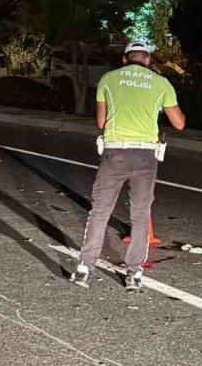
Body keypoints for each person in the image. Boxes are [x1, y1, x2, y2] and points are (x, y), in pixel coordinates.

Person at [71, 41, 186, 292]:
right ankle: (134, 273)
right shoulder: (160, 83)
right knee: (140, 215)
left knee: (100, 211)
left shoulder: (108, 79)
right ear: (147, 60)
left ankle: (85, 268)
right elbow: (179, 123)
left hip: (115, 153)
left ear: (125, 59)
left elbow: (102, 121)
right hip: (145, 155)